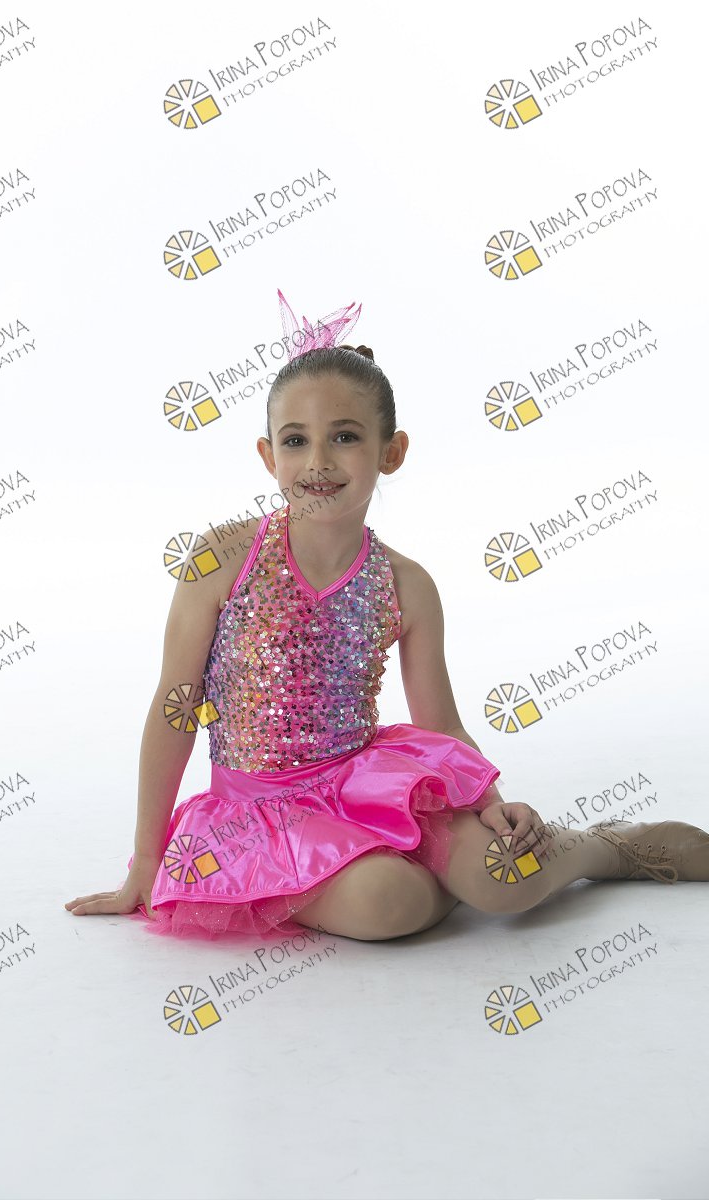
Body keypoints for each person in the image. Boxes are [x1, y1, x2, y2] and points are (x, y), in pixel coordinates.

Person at [65, 290, 709, 942]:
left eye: (345, 437)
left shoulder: (406, 584)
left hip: (365, 783)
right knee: (387, 903)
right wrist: (145, 859)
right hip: (257, 813)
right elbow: (175, 708)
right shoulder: (221, 559)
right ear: (268, 455)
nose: (318, 462)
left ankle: (606, 847)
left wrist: (488, 804)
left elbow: (441, 723)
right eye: (296, 440)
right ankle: (430, 876)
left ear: (391, 451)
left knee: (506, 875)